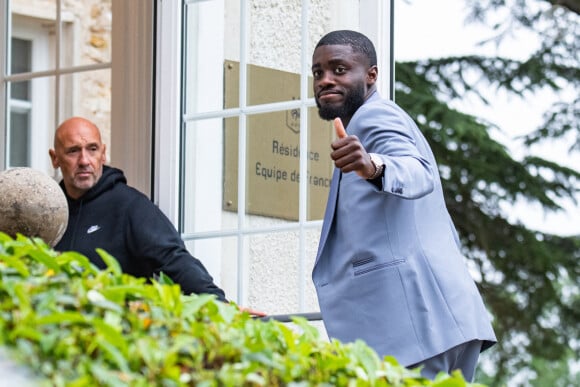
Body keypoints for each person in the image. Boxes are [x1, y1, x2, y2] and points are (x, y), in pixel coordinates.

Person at [310, 30, 496, 381]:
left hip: (415, 327)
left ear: (371, 75)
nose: (325, 80)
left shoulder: (375, 118)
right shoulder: (369, 120)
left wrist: (375, 166)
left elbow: (416, 170)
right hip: (435, 325)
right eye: (318, 72)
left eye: (338, 68)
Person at [49, 117, 227, 302]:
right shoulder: (48, 212)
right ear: (55, 158)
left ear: (103, 153)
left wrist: (220, 305)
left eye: (92, 149)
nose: (84, 160)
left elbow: (174, 260)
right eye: (73, 151)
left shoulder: (130, 206)